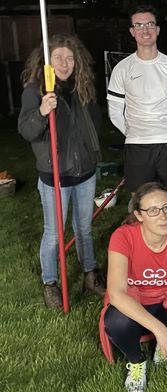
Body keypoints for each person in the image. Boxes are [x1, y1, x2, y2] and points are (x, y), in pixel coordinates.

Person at [18, 33, 105, 309]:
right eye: (58, 58)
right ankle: (50, 282)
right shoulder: (36, 91)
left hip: (84, 173)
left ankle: (90, 274)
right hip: (54, 175)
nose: (65, 63)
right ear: (47, 62)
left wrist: (90, 154)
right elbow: (27, 130)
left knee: (84, 228)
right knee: (54, 233)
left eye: (69, 58)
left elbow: (94, 125)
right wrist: (42, 112)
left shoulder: (83, 88)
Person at [103, 182, 167, 392]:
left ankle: (163, 347)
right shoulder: (123, 237)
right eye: (153, 211)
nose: (163, 216)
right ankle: (137, 361)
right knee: (116, 322)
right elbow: (116, 293)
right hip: (133, 299)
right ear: (139, 215)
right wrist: (160, 331)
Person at [107, 4, 167, 193]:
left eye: (150, 24)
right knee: (139, 199)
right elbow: (115, 112)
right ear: (132, 31)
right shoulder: (122, 68)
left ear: (157, 30)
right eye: (139, 25)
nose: (145, 30)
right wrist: (133, 133)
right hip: (136, 145)